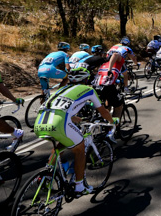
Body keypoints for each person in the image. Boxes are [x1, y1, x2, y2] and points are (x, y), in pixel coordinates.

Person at [34, 67, 115, 197]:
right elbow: (103, 110)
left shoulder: (61, 89)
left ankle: (46, 177)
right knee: (80, 149)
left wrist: (75, 118)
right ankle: (79, 187)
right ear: (86, 79)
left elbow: (57, 108)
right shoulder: (88, 90)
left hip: (40, 121)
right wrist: (112, 121)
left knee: (59, 146)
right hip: (59, 123)